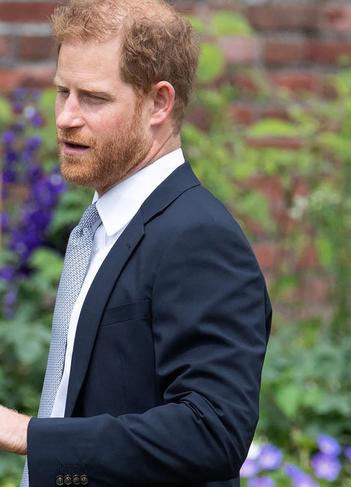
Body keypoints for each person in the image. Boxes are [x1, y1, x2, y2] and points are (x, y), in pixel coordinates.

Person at [0, 0, 271, 485]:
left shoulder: (199, 237)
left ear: (159, 104)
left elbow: (214, 431)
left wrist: (31, 435)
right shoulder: (101, 227)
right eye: (63, 92)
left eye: (94, 98)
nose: (65, 117)